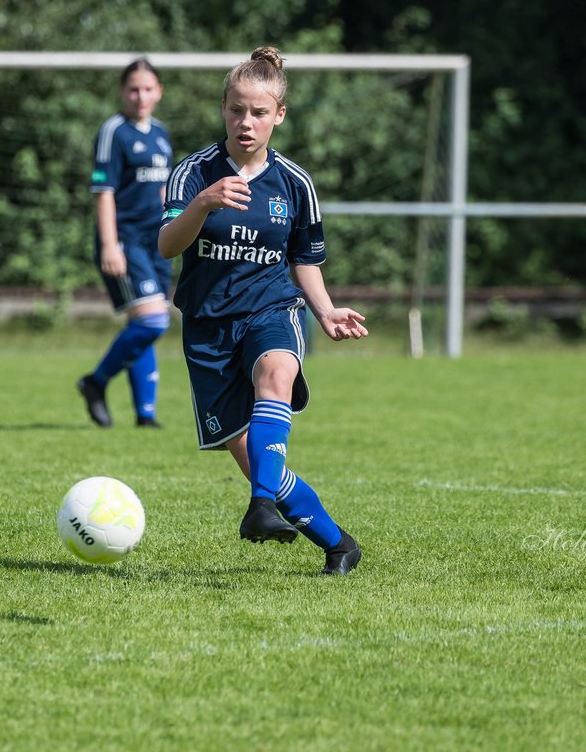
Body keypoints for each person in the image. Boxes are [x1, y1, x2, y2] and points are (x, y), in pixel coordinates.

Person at [159, 46, 368, 576]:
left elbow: (304, 261)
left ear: (278, 115)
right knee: (259, 463)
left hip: (273, 309)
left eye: (257, 112)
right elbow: (166, 245)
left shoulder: (295, 184)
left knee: (276, 373)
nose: (245, 122)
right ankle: (338, 543)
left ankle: (258, 508)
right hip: (207, 328)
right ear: (223, 109)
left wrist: (323, 312)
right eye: (235, 110)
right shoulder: (193, 173)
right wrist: (204, 203)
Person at [76, 59, 173, 428]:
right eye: (134, 89)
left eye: (148, 88)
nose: (141, 96)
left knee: (143, 322)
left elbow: (166, 190)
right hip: (126, 239)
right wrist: (110, 244)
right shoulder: (113, 131)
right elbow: (104, 192)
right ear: (122, 91)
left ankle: (145, 415)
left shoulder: (162, 133)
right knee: (153, 321)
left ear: (159, 92)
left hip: (157, 242)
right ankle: (95, 382)